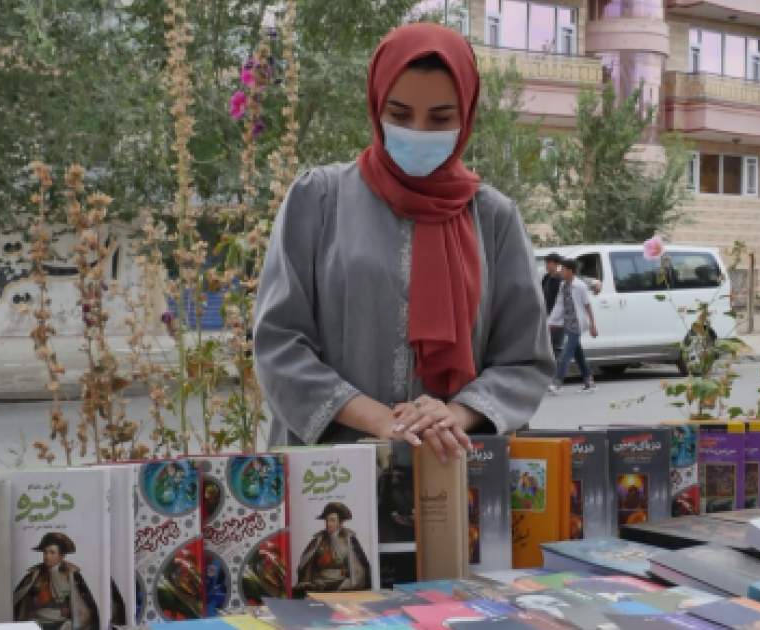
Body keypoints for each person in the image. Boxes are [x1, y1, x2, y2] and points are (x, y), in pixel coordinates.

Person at [254, 23, 554, 460]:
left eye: (440, 118)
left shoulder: (493, 218)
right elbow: (279, 343)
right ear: (377, 108)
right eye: (399, 114)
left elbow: (524, 359)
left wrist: (455, 414)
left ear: (466, 115)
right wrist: (381, 420)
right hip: (333, 471)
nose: (417, 130)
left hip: (452, 467)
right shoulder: (318, 199)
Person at [13, 532, 100, 630]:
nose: (47, 556)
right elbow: (22, 602)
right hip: (36, 623)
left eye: (52, 552)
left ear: (61, 556)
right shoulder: (33, 575)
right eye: (45, 552)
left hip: (63, 624)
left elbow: (83, 607)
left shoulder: (72, 575)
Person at [294, 502, 371, 596]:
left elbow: (358, 569)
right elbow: (308, 564)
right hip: (319, 584)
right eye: (327, 520)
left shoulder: (350, 540)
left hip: (342, 584)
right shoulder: (318, 540)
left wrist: (347, 585)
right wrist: (307, 582)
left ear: (341, 523)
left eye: (332, 520)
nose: (328, 524)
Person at [547, 259, 597, 394]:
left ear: (570, 271)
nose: (561, 272)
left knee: (565, 354)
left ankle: (557, 382)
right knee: (578, 354)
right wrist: (550, 323)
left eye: (563, 269)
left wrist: (593, 325)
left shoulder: (580, 286)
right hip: (567, 324)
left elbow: (587, 305)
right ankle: (589, 381)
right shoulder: (563, 286)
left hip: (577, 325)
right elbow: (559, 306)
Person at [541, 252, 564, 356]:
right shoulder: (546, 278)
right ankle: (586, 371)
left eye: (549, 263)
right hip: (547, 316)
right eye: (546, 263)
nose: (547, 265)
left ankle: (557, 371)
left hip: (557, 318)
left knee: (556, 347)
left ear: (556, 264)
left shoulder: (561, 279)